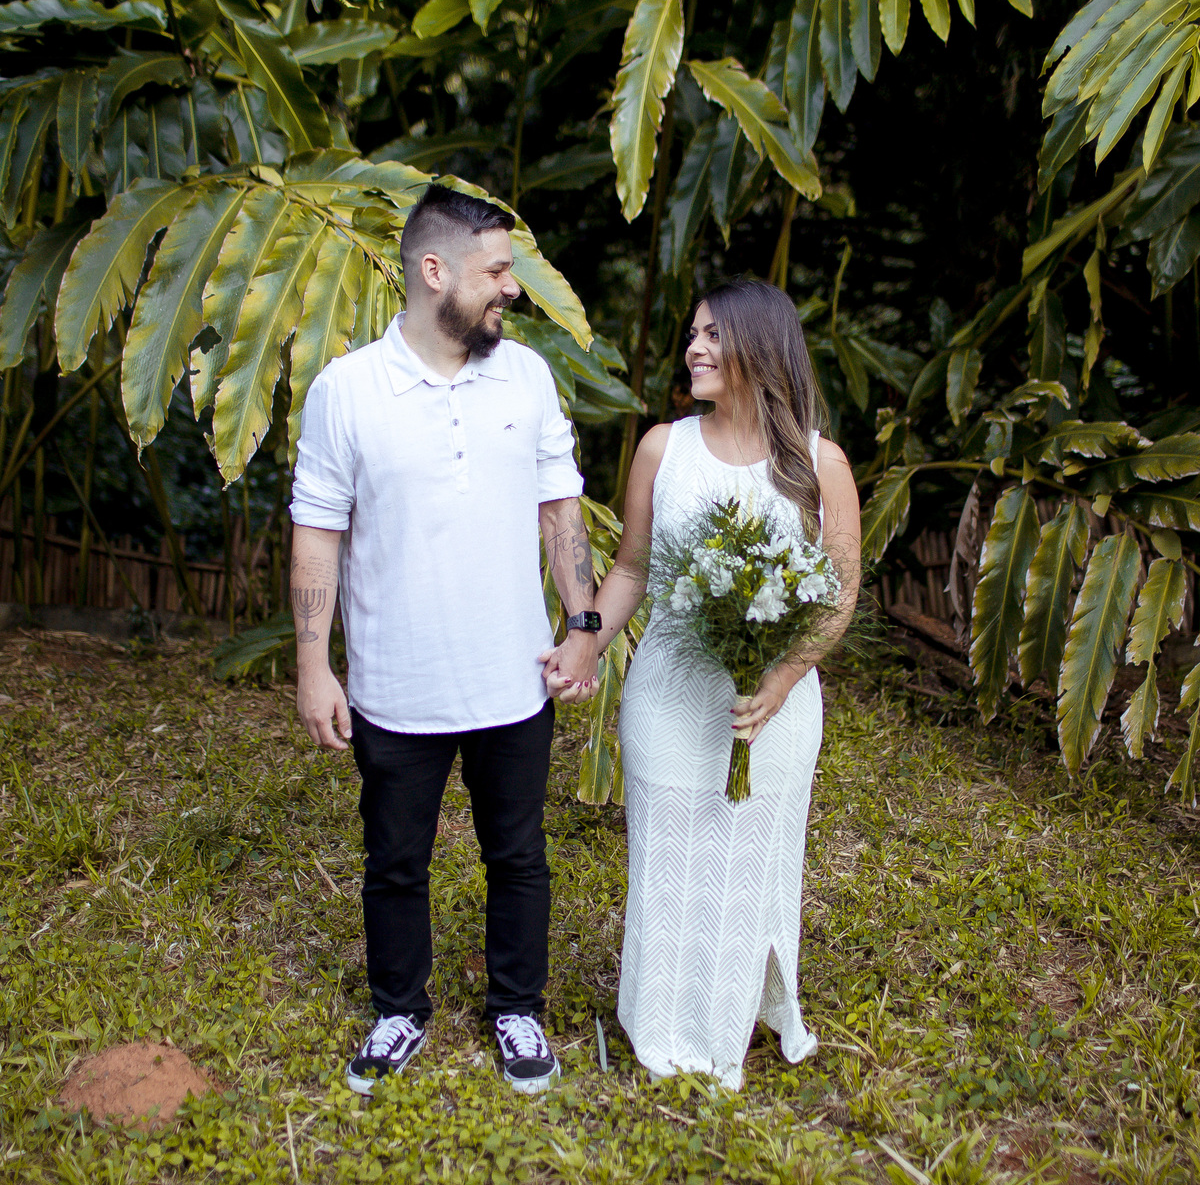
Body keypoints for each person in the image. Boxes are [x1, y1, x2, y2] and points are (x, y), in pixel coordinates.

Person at [289, 183, 600, 1097]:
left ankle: (518, 1008)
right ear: (435, 272)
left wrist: (582, 626)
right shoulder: (347, 390)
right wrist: (314, 666)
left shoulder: (527, 376)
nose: (510, 287)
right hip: (395, 682)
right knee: (394, 861)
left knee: (519, 853)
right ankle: (399, 1008)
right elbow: (318, 531)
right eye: (496, 270)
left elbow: (560, 510)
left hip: (514, 679)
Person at [593, 280, 861, 1090]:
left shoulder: (820, 464)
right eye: (692, 334)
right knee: (670, 852)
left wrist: (778, 681)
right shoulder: (661, 449)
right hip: (670, 690)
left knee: (750, 854)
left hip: (772, 706)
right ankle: (662, 1018)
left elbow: (840, 593)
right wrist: (580, 646)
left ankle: (735, 1011)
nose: (694, 349)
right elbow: (633, 569)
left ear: (758, 346)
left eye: (714, 335)